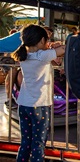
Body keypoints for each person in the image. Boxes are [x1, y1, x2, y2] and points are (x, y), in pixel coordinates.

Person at [11, 24, 65, 162]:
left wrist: (51, 47)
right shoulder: (42, 55)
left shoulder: (24, 55)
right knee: (38, 144)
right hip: (39, 106)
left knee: (25, 143)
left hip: (23, 104)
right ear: (41, 40)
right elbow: (64, 49)